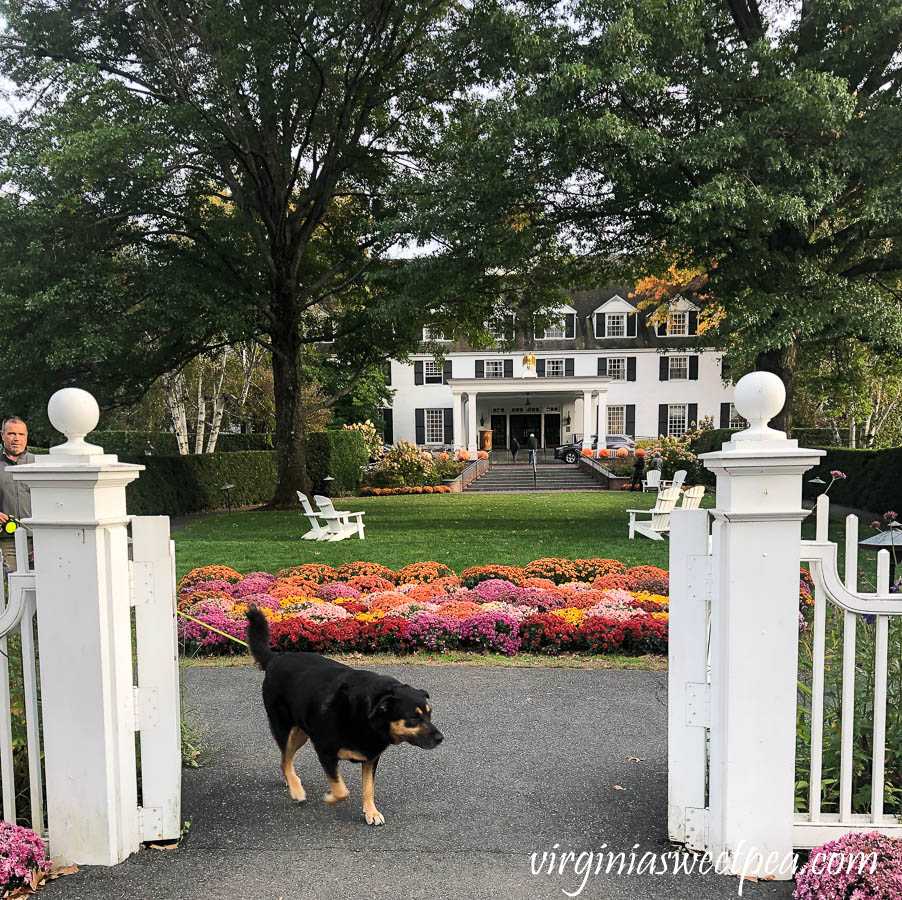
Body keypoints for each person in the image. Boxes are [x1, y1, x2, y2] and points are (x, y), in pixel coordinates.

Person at [0, 416, 34, 574]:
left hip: (38, 537)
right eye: (11, 434)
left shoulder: (37, 464)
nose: (16, 439)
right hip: (7, 539)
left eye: (21, 434)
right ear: (2, 434)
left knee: (41, 583)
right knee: (10, 582)